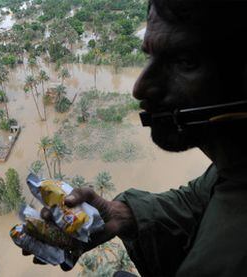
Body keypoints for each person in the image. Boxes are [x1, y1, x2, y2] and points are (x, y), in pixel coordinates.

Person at [24, 1, 247, 276]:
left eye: (186, 62)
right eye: (150, 57)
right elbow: (201, 200)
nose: (140, 88)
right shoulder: (234, 166)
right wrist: (121, 214)